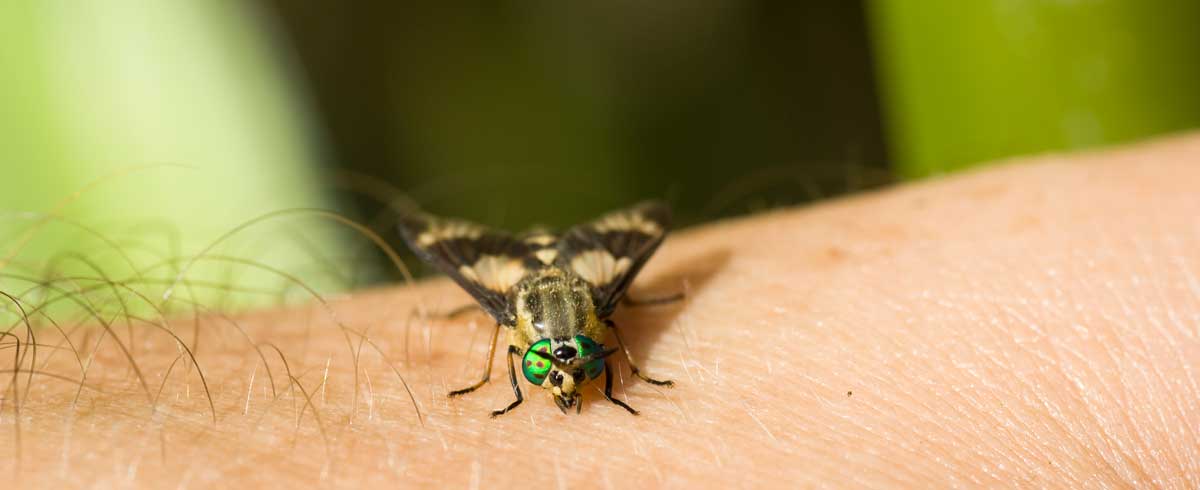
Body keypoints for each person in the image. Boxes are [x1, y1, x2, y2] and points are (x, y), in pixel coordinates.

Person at [9, 133, 1200, 488]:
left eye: (558, 357)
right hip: (544, 257)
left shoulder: (585, 326)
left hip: (560, 256)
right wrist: (507, 348)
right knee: (516, 275)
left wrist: (616, 328)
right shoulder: (537, 327)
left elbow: (593, 326)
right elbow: (535, 326)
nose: (558, 361)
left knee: (624, 283)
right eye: (550, 357)